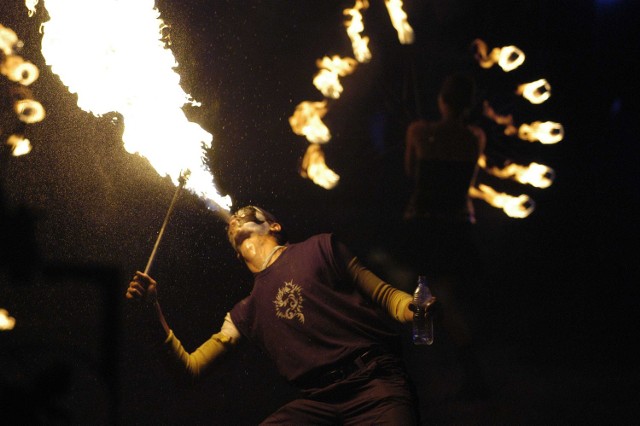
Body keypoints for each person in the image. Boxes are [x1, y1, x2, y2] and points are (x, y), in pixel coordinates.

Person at [126, 205, 437, 424]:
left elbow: (386, 297)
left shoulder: (321, 248)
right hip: (317, 403)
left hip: (374, 385)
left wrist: (414, 308)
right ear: (236, 253)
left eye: (248, 212)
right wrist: (152, 309)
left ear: (274, 226)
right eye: (234, 219)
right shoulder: (243, 314)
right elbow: (189, 369)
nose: (236, 217)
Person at [403, 72, 488, 399]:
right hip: (457, 226)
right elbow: (470, 179)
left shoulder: (419, 132)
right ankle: (458, 369)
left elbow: (411, 173)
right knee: (440, 297)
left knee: (430, 298)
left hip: (425, 226)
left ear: (442, 100)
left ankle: (460, 372)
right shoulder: (476, 137)